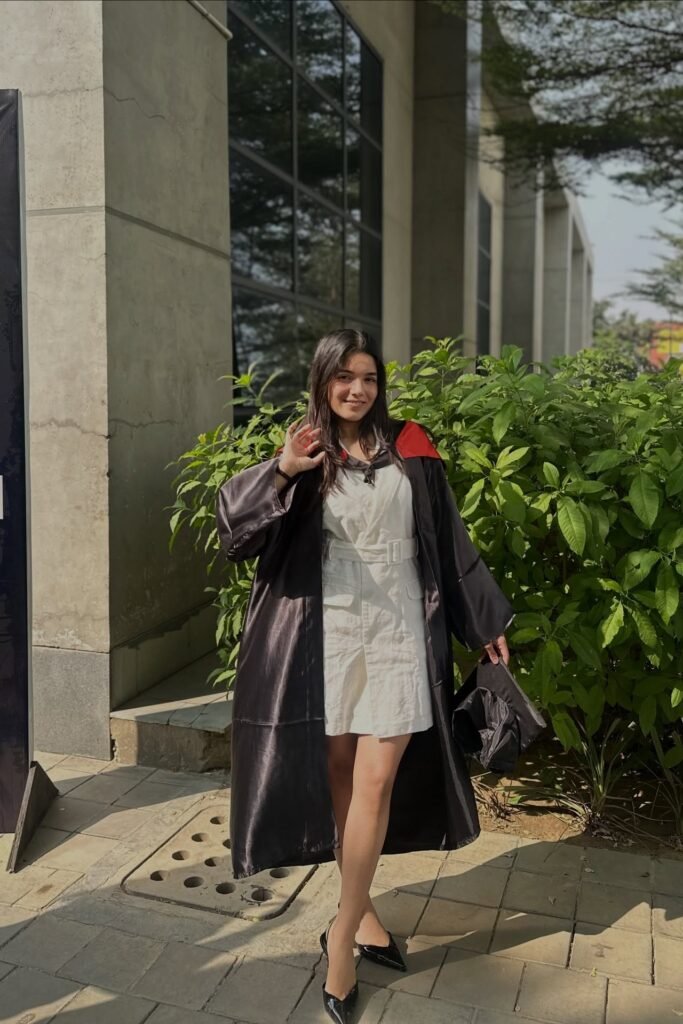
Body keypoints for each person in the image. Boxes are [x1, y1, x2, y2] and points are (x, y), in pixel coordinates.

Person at [216, 329, 513, 1024]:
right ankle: (367, 913)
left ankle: (341, 939)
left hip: (400, 624)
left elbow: (450, 541)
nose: (357, 389)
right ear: (323, 381)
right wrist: (283, 470)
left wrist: (482, 619)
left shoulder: (411, 446)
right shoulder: (305, 449)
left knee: (376, 782)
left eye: (369, 378)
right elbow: (237, 532)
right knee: (342, 778)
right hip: (327, 630)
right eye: (344, 377)